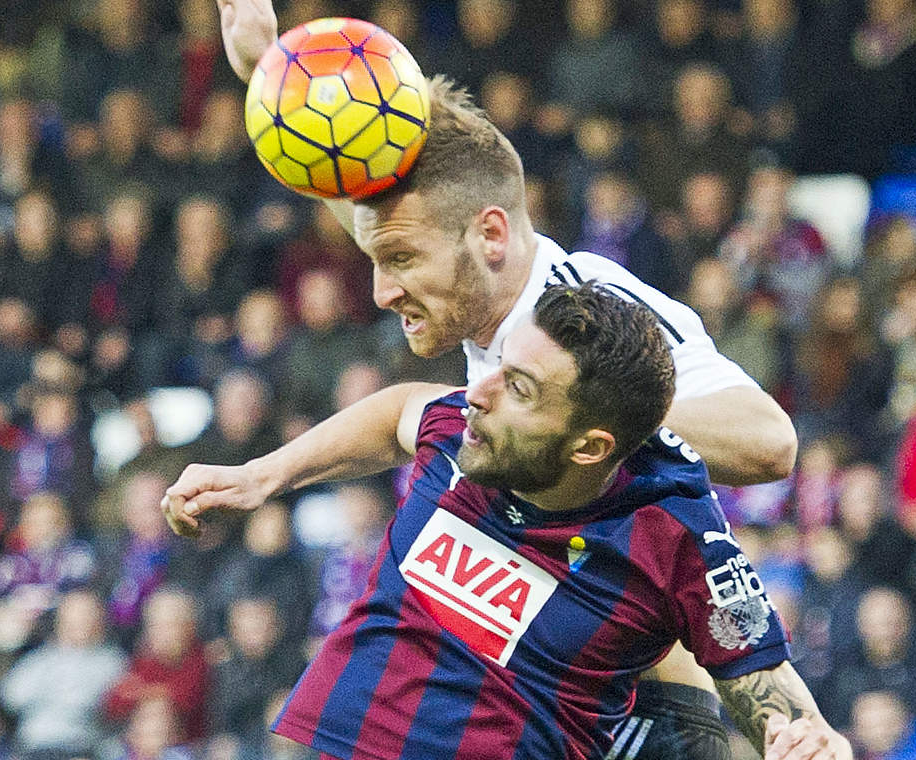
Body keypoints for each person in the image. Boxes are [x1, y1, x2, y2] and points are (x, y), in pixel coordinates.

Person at [166, 3, 800, 757]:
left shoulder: (583, 311)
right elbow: (406, 382)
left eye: (399, 263)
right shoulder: (475, 294)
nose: (381, 291)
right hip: (537, 669)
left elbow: (770, 444)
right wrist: (267, 71)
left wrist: (578, 399)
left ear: (491, 234)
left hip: (641, 700)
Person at [170, 283, 846, 759]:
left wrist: (803, 740)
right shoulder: (467, 427)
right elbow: (401, 409)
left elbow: (767, 683)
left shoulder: (679, 536)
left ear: (590, 447)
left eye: (519, 388)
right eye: (499, 368)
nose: (478, 393)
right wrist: (263, 475)